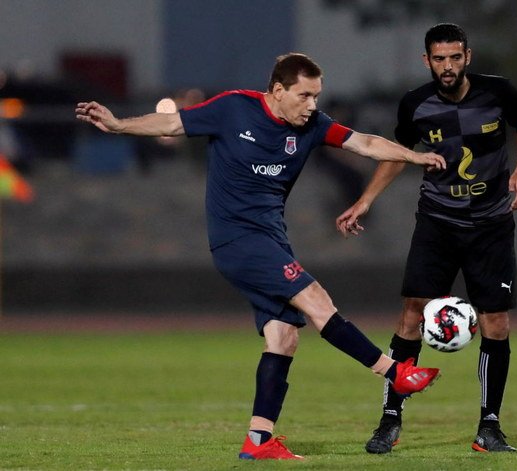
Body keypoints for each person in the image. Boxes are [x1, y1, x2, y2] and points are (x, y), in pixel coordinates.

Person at [75, 52, 445, 461]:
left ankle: (259, 440)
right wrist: (116, 124)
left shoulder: (313, 125)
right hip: (238, 240)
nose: (312, 105)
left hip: (271, 240)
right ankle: (396, 372)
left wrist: (414, 157)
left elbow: (367, 144)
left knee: (283, 337)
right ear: (278, 91)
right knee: (317, 300)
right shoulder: (234, 108)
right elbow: (171, 122)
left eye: (317, 96)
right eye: (304, 96)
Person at [336, 23, 517, 454]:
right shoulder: (415, 104)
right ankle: (390, 419)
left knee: (496, 323)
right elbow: (397, 154)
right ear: (427, 61)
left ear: (468, 56)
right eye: (439, 59)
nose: (448, 66)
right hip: (438, 222)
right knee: (411, 314)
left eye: (455, 57)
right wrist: (366, 199)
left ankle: (490, 426)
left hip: (491, 224)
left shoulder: (498, 92)